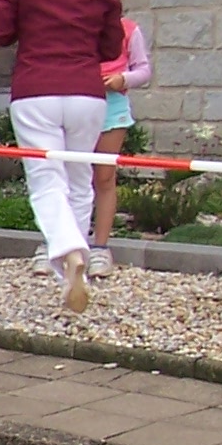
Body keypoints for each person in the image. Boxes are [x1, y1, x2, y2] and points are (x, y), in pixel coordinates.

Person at [0, 0, 125, 314]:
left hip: (36, 89)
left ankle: (66, 250)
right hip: (87, 91)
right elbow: (111, 43)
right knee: (80, 181)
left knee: (46, 180)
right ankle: (71, 266)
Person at [89, 15, 151, 276]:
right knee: (69, 175)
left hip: (111, 108)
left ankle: (100, 247)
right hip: (76, 101)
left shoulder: (129, 29)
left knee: (104, 178)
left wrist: (122, 80)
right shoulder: (72, 21)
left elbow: (143, 70)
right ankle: (62, 243)